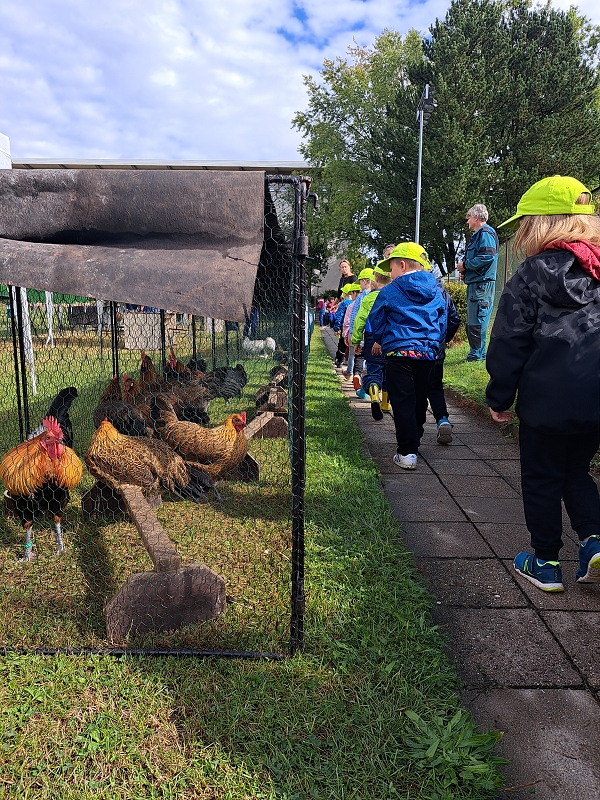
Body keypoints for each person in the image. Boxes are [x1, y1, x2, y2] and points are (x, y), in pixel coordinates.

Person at [486, 175, 600, 593]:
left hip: (545, 402)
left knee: (541, 476)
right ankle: (594, 542)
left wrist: (500, 397)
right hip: (594, 397)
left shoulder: (531, 274)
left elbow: (509, 340)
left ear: (538, 225)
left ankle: (546, 562)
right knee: (576, 470)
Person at [369, 243, 447, 469]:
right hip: (427, 354)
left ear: (402, 265)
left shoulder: (390, 290)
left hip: (398, 353)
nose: (390, 274)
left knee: (402, 401)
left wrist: (383, 338)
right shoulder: (436, 290)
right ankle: (415, 438)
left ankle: (407, 452)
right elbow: (442, 320)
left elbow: (375, 319)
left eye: (391, 268)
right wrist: (434, 342)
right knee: (420, 399)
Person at [457, 204, 499, 362]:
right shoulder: (481, 234)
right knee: (474, 320)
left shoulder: (485, 233)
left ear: (476, 217)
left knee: (477, 320)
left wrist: (466, 265)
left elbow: (487, 257)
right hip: (477, 283)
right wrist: (466, 272)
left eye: (468, 218)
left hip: (481, 285)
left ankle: (477, 355)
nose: (467, 221)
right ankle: (477, 353)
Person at [352, 263, 392, 418]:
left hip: (371, 338)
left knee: (373, 371)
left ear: (375, 278)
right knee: (388, 372)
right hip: (389, 339)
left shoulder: (368, 298)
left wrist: (356, 340)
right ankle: (385, 403)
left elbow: (360, 319)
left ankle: (374, 397)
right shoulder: (393, 295)